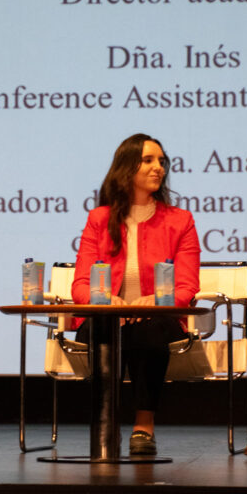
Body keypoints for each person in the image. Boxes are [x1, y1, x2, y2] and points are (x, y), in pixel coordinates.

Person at [72, 133, 201, 455]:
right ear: (126, 167)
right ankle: (107, 423)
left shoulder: (180, 221)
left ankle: (144, 426)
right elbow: (80, 286)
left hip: (159, 320)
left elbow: (187, 287)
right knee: (106, 327)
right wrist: (107, 303)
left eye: (161, 161)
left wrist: (155, 303)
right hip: (106, 318)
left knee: (148, 327)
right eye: (148, 160)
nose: (159, 168)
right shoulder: (99, 219)